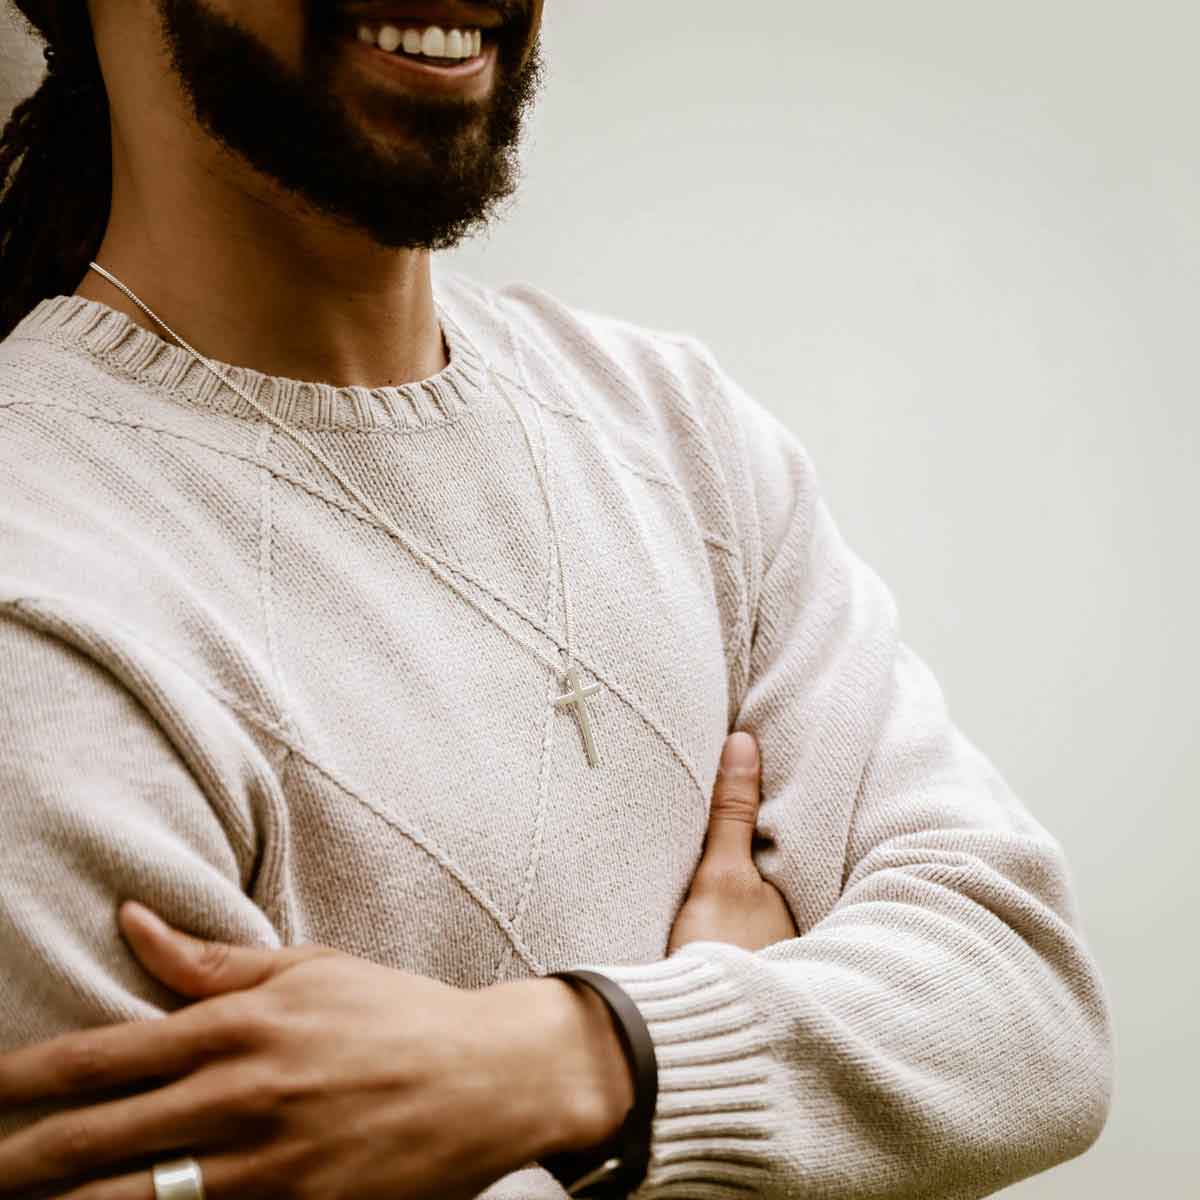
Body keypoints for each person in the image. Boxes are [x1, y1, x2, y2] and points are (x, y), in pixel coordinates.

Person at [0, 2, 1114, 1198]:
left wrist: (590, 1060)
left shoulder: (676, 432)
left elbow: (1028, 1005)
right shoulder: (41, 597)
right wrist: (760, 1080)